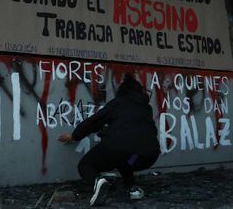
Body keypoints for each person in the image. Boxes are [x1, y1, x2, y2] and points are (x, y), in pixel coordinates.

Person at [58, 73, 160, 206]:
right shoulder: (146, 108)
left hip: (118, 150)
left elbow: (96, 121)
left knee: (85, 165)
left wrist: (75, 135)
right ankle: (131, 188)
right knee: (126, 161)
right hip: (145, 156)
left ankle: (98, 182)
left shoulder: (117, 103)